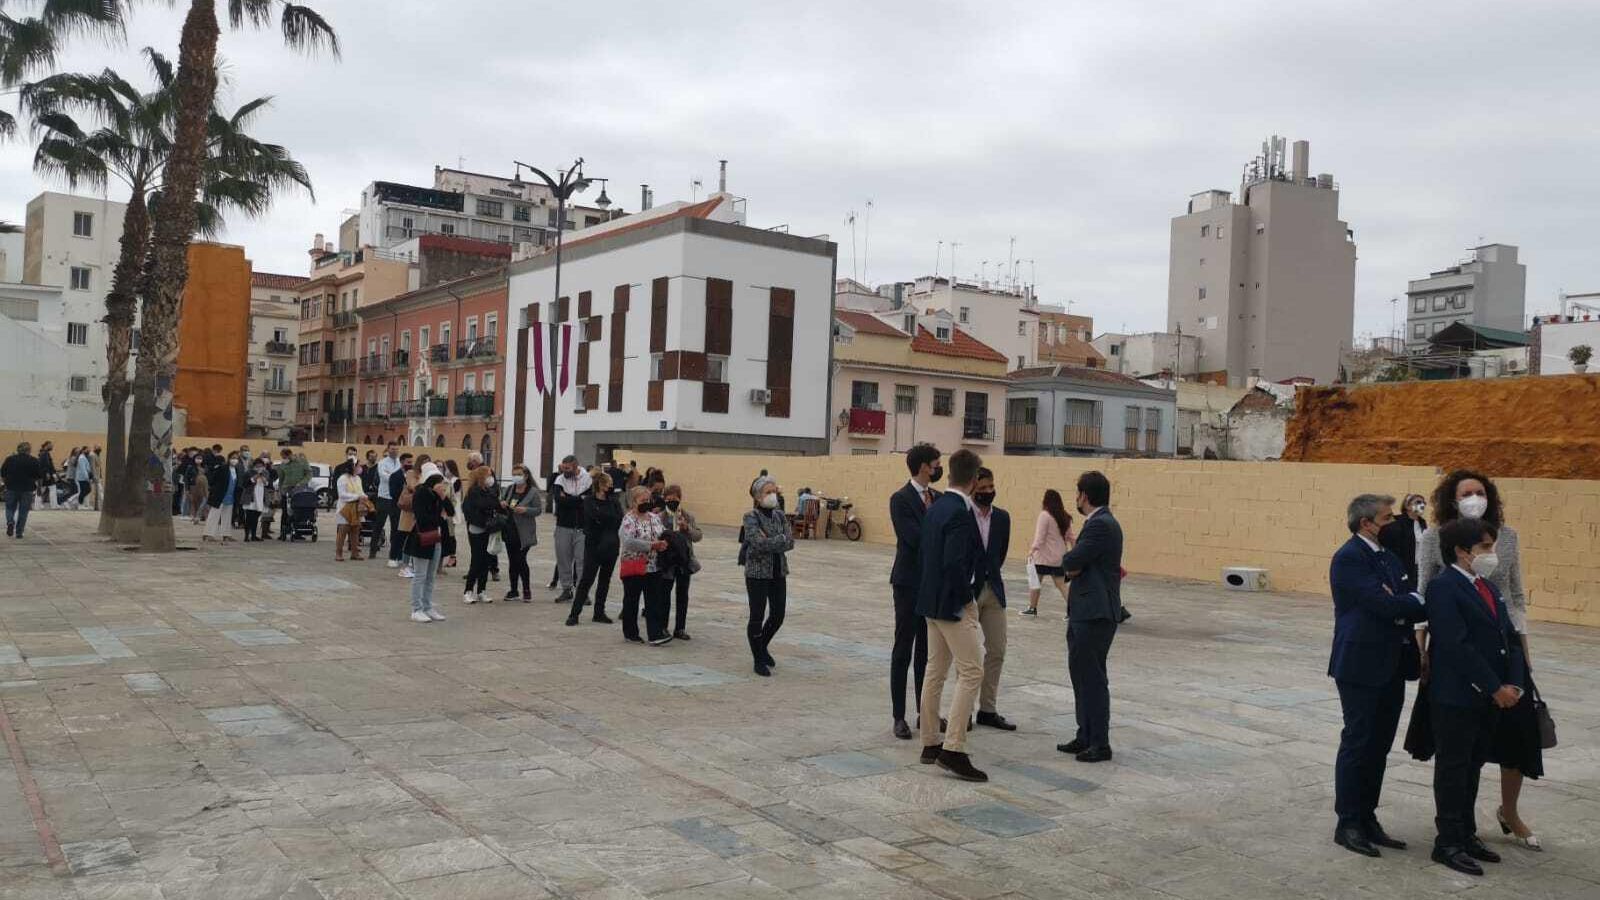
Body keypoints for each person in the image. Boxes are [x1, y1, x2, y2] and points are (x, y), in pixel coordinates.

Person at [1416, 470, 1542, 850]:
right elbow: (1441, 620)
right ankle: (1451, 837)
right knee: (1456, 759)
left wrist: (1518, 672)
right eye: (1466, 492)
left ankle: (1476, 828)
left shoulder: (1495, 566)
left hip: (1500, 655)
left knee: (1484, 752)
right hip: (1464, 671)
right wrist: (1422, 653)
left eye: (1480, 491)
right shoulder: (1440, 555)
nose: (1475, 497)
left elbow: (1514, 598)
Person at [1327, 493, 1427, 859]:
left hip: (1392, 663)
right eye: (1387, 519)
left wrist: (1403, 604)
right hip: (1360, 664)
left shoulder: (1387, 556)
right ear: (1366, 523)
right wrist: (1405, 605)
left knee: (1379, 746)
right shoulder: (1350, 558)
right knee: (1358, 741)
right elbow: (1386, 604)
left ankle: (1368, 817)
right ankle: (1348, 822)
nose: (1393, 524)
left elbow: (1405, 596)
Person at [1425, 517, 1526, 877]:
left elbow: (1508, 638)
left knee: (1472, 767)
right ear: (1462, 551)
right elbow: (1455, 645)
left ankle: (1466, 834)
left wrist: (1514, 684)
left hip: (1490, 697)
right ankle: (1447, 842)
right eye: (1485, 547)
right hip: (1458, 696)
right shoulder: (1443, 587)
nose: (1491, 554)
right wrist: (1492, 686)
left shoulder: (1488, 587)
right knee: (1453, 769)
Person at [915, 449, 989, 781]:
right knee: (972, 671)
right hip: (951, 605)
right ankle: (953, 748)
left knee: (936, 670)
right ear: (974, 480)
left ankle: (930, 741)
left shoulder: (936, 506)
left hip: (930, 601)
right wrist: (967, 601)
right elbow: (955, 564)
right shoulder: (959, 513)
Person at [1056, 470, 1123, 764]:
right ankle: (1085, 734)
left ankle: (1099, 742)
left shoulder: (1100, 525)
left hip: (1094, 613)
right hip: (1086, 611)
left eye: (1078, 493)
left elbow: (1072, 560)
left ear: (1084, 495)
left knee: (1093, 678)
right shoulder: (1099, 523)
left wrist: (1072, 564)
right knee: (1081, 675)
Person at [887, 444, 941, 740]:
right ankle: (899, 715)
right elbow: (913, 538)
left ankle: (926, 711)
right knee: (903, 649)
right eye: (935, 464)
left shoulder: (940, 497)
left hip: (930, 584)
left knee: (926, 651)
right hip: (908, 583)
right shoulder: (901, 499)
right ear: (923, 466)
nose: (937, 469)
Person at [969, 467, 1016, 731]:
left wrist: (991, 573)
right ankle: (963, 711)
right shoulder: (964, 515)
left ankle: (988, 708)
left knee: (997, 649)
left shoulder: (1002, 518)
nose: (988, 493)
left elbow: (1001, 552)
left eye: (991, 488)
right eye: (982, 489)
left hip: (994, 589)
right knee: (969, 654)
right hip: (970, 591)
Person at [742, 475, 794, 675]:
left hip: (778, 571)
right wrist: (778, 540)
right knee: (757, 615)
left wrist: (773, 539)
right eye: (768, 492)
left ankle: (761, 646)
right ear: (757, 496)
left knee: (778, 615)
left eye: (775, 491)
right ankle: (758, 659)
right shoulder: (751, 517)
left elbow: (789, 542)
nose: (773, 496)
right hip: (757, 573)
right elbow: (757, 542)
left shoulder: (780, 516)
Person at [618, 485, 670, 645]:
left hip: (653, 566)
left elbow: (662, 532)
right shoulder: (629, 519)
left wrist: (665, 542)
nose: (646, 503)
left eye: (648, 500)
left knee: (654, 601)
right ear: (634, 502)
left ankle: (655, 634)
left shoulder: (654, 518)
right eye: (643, 500)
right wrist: (651, 545)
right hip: (634, 564)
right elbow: (627, 541)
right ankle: (630, 633)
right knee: (631, 600)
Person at [570, 471, 623, 626]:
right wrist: (606, 518)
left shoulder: (614, 501)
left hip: (611, 545)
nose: (611, 487)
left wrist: (605, 518)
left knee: (604, 581)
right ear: (600, 485)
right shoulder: (589, 501)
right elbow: (593, 517)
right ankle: (574, 613)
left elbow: (619, 519)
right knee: (587, 580)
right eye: (608, 484)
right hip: (594, 546)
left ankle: (599, 612)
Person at [404, 466, 451, 623]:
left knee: (431, 576)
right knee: (420, 575)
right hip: (422, 537)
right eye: (439, 482)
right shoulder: (421, 493)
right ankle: (416, 609)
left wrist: (442, 497)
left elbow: (450, 511)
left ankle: (427, 606)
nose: (442, 486)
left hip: (436, 537)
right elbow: (423, 518)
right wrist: (440, 518)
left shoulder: (437, 496)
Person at [661, 485, 702, 641]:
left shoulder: (687, 516)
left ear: (680, 498)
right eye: (668, 499)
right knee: (664, 594)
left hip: (684, 560)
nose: (672, 501)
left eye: (675, 499)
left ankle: (680, 628)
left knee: (682, 595)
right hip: (668, 561)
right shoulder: (660, 517)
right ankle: (663, 627)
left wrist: (687, 528)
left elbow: (698, 536)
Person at [1023, 489, 1073, 617]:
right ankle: (1073, 610)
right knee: (1062, 585)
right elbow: (1070, 537)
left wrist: (1031, 551)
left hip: (1043, 558)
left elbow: (1040, 538)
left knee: (1035, 582)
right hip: (1059, 558)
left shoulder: (1044, 515)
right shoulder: (1064, 516)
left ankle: (1032, 608)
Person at [551, 456, 592, 603]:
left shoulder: (588, 479)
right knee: (563, 559)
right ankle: (566, 589)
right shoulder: (559, 480)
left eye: (568, 468)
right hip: (563, 526)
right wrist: (579, 499)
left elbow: (588, 500)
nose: (564, 471)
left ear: (575, 466)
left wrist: (569, 499)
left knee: (582, 561)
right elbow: (559, 500)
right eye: (563, 468)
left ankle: (582, 592)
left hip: (582, 527)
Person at [460, 464, 502, 604]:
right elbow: (484, 505)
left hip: (488, 529)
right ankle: (468, 590)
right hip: (477, 529)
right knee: (477, 560)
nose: (491, 478)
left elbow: (494, 503)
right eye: (488, 475)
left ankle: (482, 590)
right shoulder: (474, 491)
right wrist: (494, 504)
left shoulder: (488, 490)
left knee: (486, 561)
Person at [500, 463, 541, 601]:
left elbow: (538, 510)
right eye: (514, 474)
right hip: (509, 529)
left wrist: (526, 510)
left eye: (519, 475)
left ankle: (526, 589)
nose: (516, 477)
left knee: (520, 559)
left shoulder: (533, 492)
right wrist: (502, 503)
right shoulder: (510, 489)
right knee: (512, 560)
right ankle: (513, 590)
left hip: (524, 532)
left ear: (526, 476)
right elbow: (501, 501)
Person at [1379, 493, 1426, 591]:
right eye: (1418, 502)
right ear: (1407, 506)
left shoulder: (1422, 523)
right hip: (1404, 567)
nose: (1422, 505)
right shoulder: (1397, 523)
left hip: (1419, 568)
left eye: (1423, 503)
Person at [3, 442, 42, 539]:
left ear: (18, 449)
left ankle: (10, 521)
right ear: (29, 450)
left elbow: (3, 473)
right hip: (27, 489)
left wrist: (6, 484)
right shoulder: (34, 460)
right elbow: (39, 476)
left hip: (11, 488)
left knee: (9, 508)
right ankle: (19, 532)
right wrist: (39, 488)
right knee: (23, 511)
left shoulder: (10, 459)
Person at [394, 454, 424, 578]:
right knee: (407, 539)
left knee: (416, 540)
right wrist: (423, 489)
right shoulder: (412, 473)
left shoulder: (427, 475)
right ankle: (404, 565)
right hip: (410, 510)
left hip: (421, 512)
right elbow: (411, 486)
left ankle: (412, 565)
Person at [373, 442, 402, 559]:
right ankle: (373, 550)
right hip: (384, 497)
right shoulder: (382, 463)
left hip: (396, 498)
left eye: (396, 449)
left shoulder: (400, 462)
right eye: (392, 449)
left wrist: (394, 476)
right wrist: (396, 477)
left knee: (395, 527)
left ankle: (393, 553)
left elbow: (403, 477)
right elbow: (384, 477)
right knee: (379, 525)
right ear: (388, 450)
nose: (394, 451)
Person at [202, 449, 237, 543]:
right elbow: (213, 479)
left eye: (236, 458)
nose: (235, 460)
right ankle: (208, 534)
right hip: (219, 495)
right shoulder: (222, 468)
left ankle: (226, 535)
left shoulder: (236, 470)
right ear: (229, 459)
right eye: (233, 458)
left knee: (227, 516)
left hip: (230, 496)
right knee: (214, 515)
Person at [334, 463, 366, 561]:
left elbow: (361, 491)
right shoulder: (342, 479)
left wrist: (364, 496)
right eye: (357, 466)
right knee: (343, 530)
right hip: (345, 507)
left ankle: (354, 553)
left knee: (355, 530)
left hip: (356, 507)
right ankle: (338, 553)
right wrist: (357, 496)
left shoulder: (358, 479)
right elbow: (342, 495)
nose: (359, 468)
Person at [241, 464, 269, 541]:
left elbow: (268, 484)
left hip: (261, 498)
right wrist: (256, 476)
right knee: (249, 517)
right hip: (251, 498)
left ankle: (253, 535)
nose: (259, 468)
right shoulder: (248, 473)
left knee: (256, 518)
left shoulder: (265, 473)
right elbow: (245, 484)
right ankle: (246, 536)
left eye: (261, 466)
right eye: (258, 466)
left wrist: (262, 477)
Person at [36, 441, 56, 509]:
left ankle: (39, 504)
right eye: (51, 445)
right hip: (45, 474)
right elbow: (46, 464)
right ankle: (53, 505)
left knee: (43, 489)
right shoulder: (44, 453)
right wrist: (47, 473)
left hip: (45, 473)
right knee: (48, 488)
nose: (52, 447)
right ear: (47, 445)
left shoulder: (44, 453)